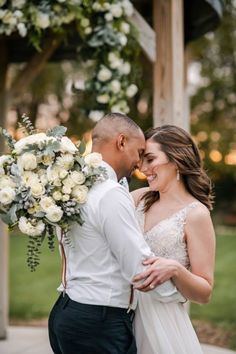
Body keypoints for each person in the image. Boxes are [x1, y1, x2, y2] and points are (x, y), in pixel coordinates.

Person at [48, 114, 185, 354]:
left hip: (66, 311)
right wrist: (177, 295)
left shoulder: (71, 185)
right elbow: (139, 268)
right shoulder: (109, 192)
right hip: (99, 325)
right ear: (121, 142)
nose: (140, 163)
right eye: (139, 151)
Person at [131, 125, 216, 354]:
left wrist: (176, 270)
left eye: (150, 159)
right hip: (121, 315)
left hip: (162, 325)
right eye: (141, 160)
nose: (143, 168)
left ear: (176, 159)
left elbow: (204, 292)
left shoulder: (195, 214)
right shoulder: (139, 198)